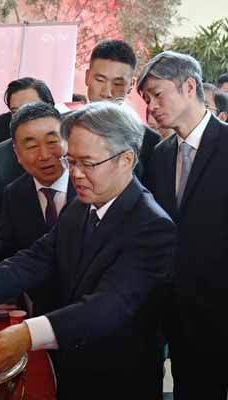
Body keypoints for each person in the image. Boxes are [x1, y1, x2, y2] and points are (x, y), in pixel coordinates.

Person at [0, 102, 176, 399]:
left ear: (126, 160)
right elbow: (39, 257)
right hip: (72, 365)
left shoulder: (151, 226)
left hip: (118, 378)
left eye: (88, 163)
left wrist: (28, 333)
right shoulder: (82, 205)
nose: (76, 174)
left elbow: (108, 305)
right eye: (72, 161)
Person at [139, 51, 228, 399]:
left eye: (158, 95)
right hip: (182, 316)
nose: (151, 108)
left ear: (189, 86)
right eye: (147, 100)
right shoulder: (160, 155)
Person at [0, 102, 75, 316]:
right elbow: (10, 242)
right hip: (42, 308)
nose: (44, 155)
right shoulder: (15, 193)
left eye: (52, 141)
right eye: (32, 146)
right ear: (17, 152)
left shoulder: (90, 186)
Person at [0, 77, 56, 238]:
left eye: (31, 109)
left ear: (50, 107)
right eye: (15, 112)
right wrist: (2, 241)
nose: (23, 117)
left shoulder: (75, 147)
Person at [85, 39, 161, 179]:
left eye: (118, 83)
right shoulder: (64, 129)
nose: (107, 92)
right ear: (87, 77)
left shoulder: (149, 142)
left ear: (131, 85)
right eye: (100, 80)